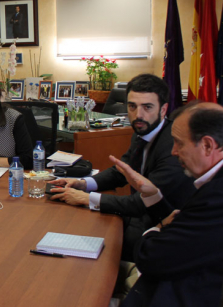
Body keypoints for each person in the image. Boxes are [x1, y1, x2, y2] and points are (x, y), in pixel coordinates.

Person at [50, 74, 195, 261]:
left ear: (163, 109)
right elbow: (121, 172)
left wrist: (87, 198)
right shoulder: (142, 131)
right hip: (140, 217)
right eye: (132, 106)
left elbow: (140, 202)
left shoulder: (173, 147)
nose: (138, 115)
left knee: (97, 249)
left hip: (161, 228)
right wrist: (82, 184)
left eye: (147, 107)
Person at [112, 102, 223, 307]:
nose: (173, 151)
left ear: (208, 145)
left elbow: (151, 257)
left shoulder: (217, 196)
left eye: (179, 143)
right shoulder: (212, 185)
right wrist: (153, 195)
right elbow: (185, 228)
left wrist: (157, 229)